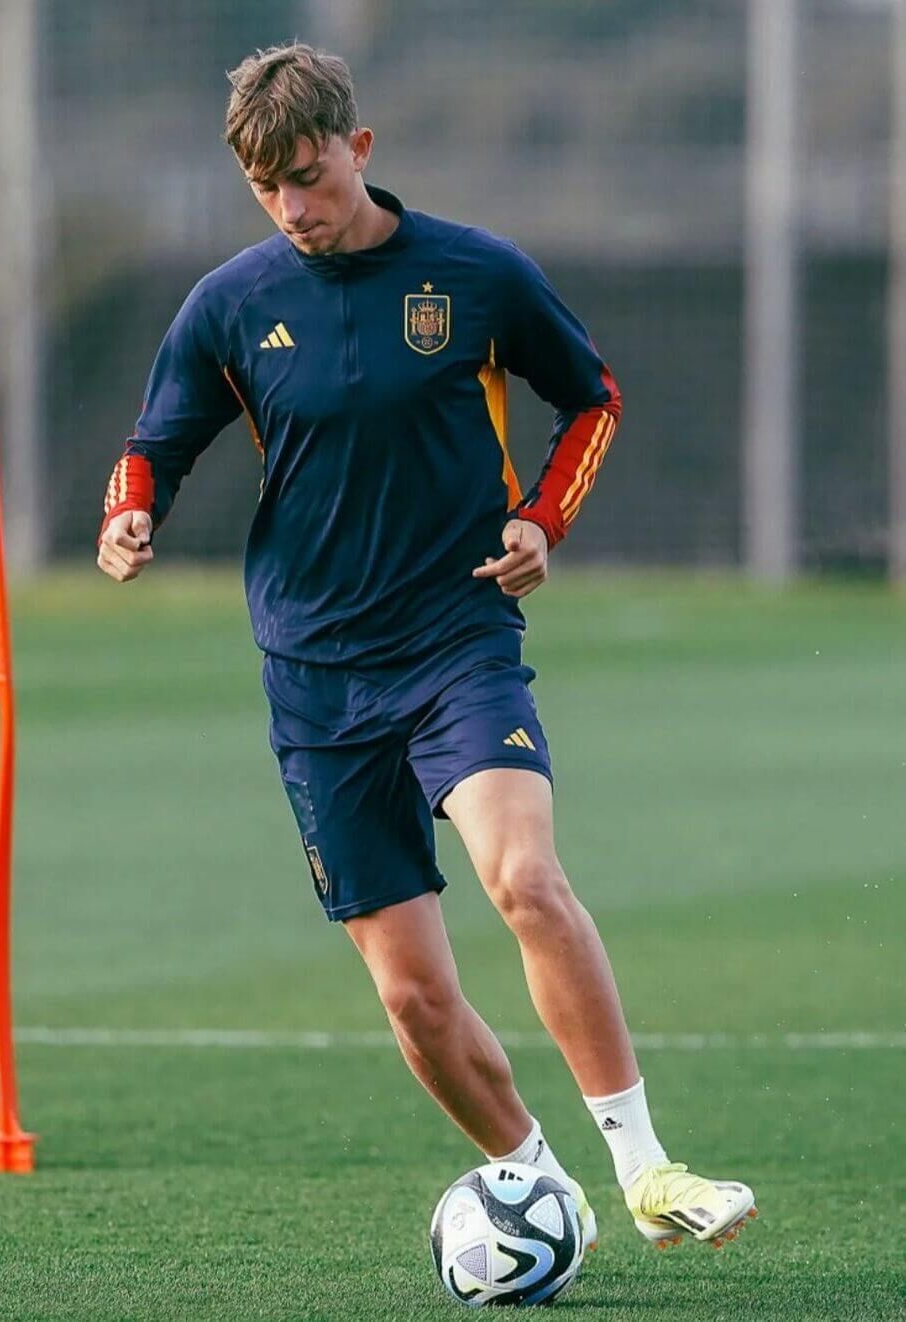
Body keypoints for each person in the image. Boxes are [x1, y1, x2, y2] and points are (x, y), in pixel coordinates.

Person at [98, 42, 755, 1253]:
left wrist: (542, 518)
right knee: (411, 994)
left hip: (458, 640)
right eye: (265, 187)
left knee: (525, 879)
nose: (292, 207)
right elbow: (156, 441)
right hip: (314, 677)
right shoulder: (231, 303)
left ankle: (646, 1167)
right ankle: (536, 1186)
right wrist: (131, 509)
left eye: (309, 176)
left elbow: (592, 396)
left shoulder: (476, 273)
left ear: (360, 147)